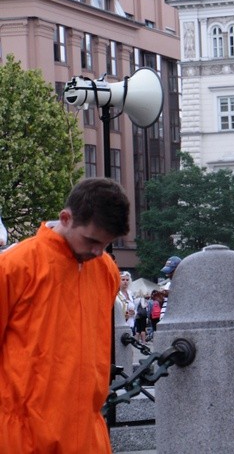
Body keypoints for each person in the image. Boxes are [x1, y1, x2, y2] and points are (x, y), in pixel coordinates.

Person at [0, 177, 130, 453]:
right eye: (92, 240)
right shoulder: (15, 266)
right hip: (23, 437)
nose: (98, 251)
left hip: (87, 435)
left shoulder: (107, 270)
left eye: (106, 244)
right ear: (65, 218)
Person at [159, 255, 182, 321]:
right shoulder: (168, 285)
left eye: (170, 271)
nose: (167, 275)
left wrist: (172, 294)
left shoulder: (185, 284)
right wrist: (161, 300)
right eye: (167, 272)